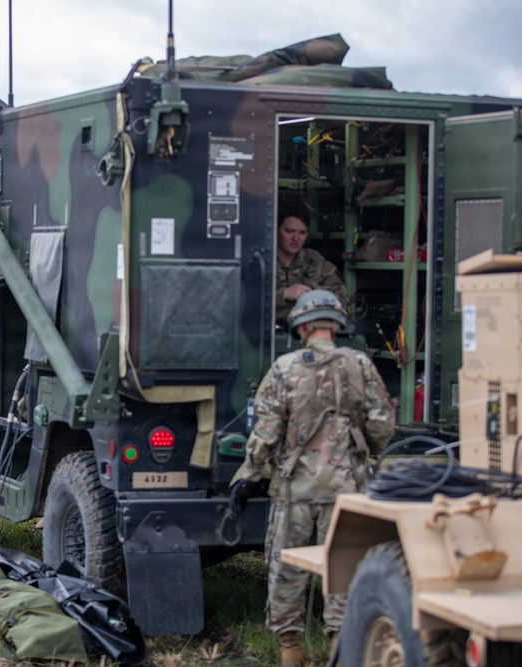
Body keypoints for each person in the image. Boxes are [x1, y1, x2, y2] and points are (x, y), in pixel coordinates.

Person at [229, 289, 395, 667]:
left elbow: (266, 434)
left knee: (286, 570)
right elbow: (383, 426)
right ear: (336, 325)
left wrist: (248, 477)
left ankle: (291, 650)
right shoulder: (360, 364)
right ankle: (341, 645)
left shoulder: (285, 368)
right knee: (344, 567)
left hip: (295, 490)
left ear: (300, 327)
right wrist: (360, 448)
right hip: (348, 490)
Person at [275, 211, 348, 324]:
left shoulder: (314, 260)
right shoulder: (263, 261)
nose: (296, 238)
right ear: (277, 230)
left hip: (309, 329)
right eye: (289, 231)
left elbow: (341, 298)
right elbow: (246, 302)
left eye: (302, 233)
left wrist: (315, 298)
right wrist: (284, 294)